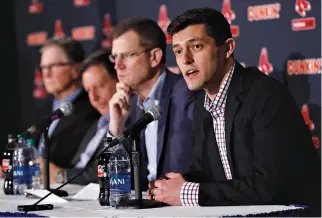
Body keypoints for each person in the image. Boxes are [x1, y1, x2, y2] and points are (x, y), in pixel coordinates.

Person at [148, 8, 321, 216]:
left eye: (196, 46)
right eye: (177, 51)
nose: (185, 59)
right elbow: (210, 175)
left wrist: (188, 192)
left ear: (227, 48)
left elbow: (271, 186)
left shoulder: (266, 96)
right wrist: (170, 187)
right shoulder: (203, 103)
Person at [108, 17, 196, 189]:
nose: (117, 66)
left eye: (127, 55)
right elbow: (115, 183)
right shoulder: (129, 105)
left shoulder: (186, 94)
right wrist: (116, 128)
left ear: (154, 57)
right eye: (115, 57)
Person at [47, 49, 118, 185]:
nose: (94, 98)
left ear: (119, 80)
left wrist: (60, 176)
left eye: (100, 86)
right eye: (88, 90)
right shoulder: (97, 125)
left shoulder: (128, 122)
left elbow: (106, 172)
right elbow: (79, 165)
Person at [36, 37, 100, 183]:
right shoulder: (45, 110)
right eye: (43, 68)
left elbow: (73, 163)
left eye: (53, 66)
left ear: (76, 69)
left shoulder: (92, 108)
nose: (46, 74)